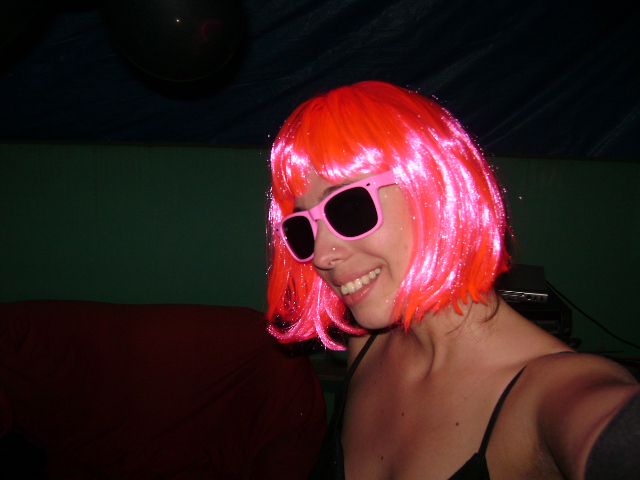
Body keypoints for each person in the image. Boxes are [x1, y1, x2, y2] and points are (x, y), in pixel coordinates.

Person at [265, 80, 640, 479]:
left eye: (348, 208)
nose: (322, 255)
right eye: (302, 228)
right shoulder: (367, 347)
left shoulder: (554, 397)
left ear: (436, 190)